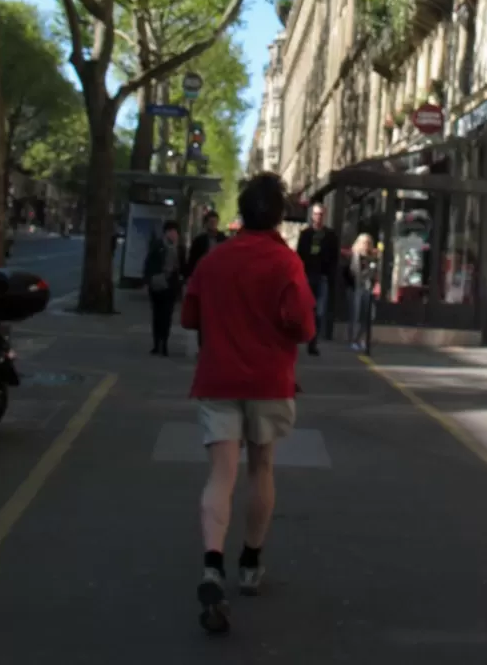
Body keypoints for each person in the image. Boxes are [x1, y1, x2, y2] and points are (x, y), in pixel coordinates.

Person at [181, 172, 315, 635]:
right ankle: (251, 563)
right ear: (279, 215)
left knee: (220, 474)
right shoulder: (287, 264)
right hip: (269, 381)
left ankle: (212, 564)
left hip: (218, 377)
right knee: (262, 468)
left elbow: (189, 316)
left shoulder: (215, 260)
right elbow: (304, 327)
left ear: (241, 211)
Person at [296, 202, 339, 356]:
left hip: (322, 276)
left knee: (319, 311)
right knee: (307, 308)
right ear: (311, 216)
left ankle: (313, 341)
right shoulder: (306, 234)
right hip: (308, 275)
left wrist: (330, 275)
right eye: (315, 214)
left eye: (320, 214)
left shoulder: (330, 235)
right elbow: (299, 254)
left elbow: (334, 257)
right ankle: (305, 335)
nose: (318, 217)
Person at [143, 221, 185, 356]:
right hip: (157, 284)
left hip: (171, 286)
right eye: (170, 231)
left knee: (167, 316)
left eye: (175, 232)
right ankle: (156, 344)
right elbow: (149, 263)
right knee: (157, 315)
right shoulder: (158, 245)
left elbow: (183, 267)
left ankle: (164, 343)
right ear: (165, 233)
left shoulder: (180, 248)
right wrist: (148, 280)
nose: (173, 234)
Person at [346, 232, 376, 353]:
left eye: (368, 243)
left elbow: (374, 274)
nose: (366, 246)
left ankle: (359, 338)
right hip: (355, 288)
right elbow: (352, 272)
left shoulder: (371, 258)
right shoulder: (354, 255)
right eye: (363, 243)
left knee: (369, 315)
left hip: (367, 288)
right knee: (355, 315)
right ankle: (352, 340)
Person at [186, 208, 225, 277]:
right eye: (211, 222)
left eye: (215, 222)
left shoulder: (223, 239)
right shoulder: (199, 241)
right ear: (206, 224)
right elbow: (192, 261)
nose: (213, 225)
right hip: (203, 273)